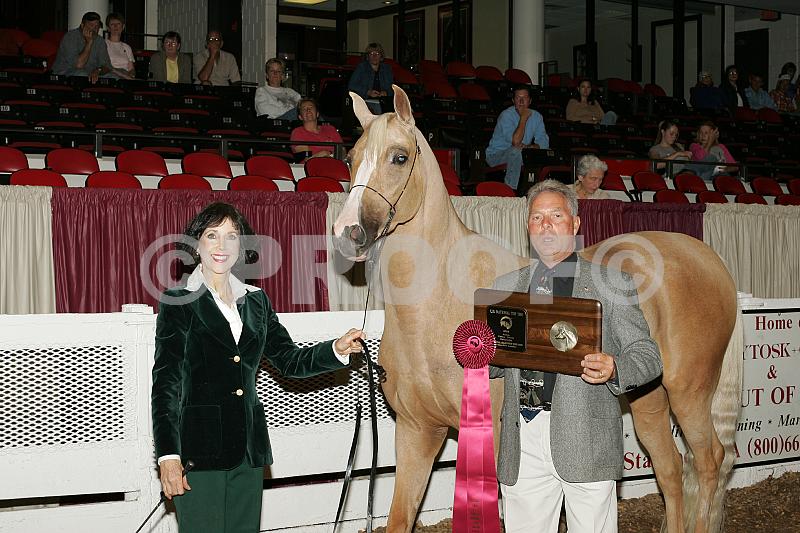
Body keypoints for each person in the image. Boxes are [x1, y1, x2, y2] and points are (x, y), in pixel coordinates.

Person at [152, 202, 365, 532]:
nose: (222, 245)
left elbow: (289, 360)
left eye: (231, 236)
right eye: (212, 235)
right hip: (198, 452)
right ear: (196, 244)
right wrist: (168, 456)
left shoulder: (257, 301)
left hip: (250, 451)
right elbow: (166, 384)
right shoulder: (178, 301)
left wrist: (335, 350)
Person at [490, 179, 662, 533]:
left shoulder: (612, 283)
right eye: (537, 217)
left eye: (556, 215)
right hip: (522, 438)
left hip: (587, 436)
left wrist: (615, 368)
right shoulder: (505, 286)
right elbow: (495, 363)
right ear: (527, 226)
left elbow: (647, 355)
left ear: (576, 223)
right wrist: (478, 350)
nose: (546, 225)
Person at [485, 85, 550, 191]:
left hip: (522, 152)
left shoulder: (537, 116)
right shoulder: (506, 115)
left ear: (530, 100)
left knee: (541, 153)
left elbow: (544, 143)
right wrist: (523, 118)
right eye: (518, 98)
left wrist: (530, 147)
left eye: (524, 98)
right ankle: (510, 190)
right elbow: (516, 142)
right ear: (513, 101)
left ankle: (535, 191)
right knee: (516, 151)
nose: (521, 101)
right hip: (496, 156)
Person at [51, 11, 113, 83]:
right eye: (91, 25)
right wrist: (89, 43)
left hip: (90, 74)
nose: (94, 29)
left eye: (97, 26)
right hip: (65, 74)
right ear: (82, 25)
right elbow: (79, 64)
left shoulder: (100, 41)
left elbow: (107, 66)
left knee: (113, 77)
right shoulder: (70, 37)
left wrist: (98, 70)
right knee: (81, 75)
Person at [347, 42, 394, 115]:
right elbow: (352, 85)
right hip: (366, 101)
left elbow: (393, 87)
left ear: (381, 56)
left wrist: (386, 92)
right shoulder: (361, 68)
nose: (374, 56)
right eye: (371, 54)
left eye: (377, 54)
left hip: (384, 102)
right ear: (368, 56)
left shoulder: (387, 69)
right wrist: (368, 92)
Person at [104, 12, 135, 79]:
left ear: (123, 27)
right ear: (108, 28)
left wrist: (131, 75)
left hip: (125, 77)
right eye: (112, 24)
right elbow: (105, 67)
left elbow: (131, 69)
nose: (115, 26)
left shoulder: (127, 47)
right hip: (111, 76)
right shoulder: (104, 44)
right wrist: (123, 75)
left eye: (118, 24)